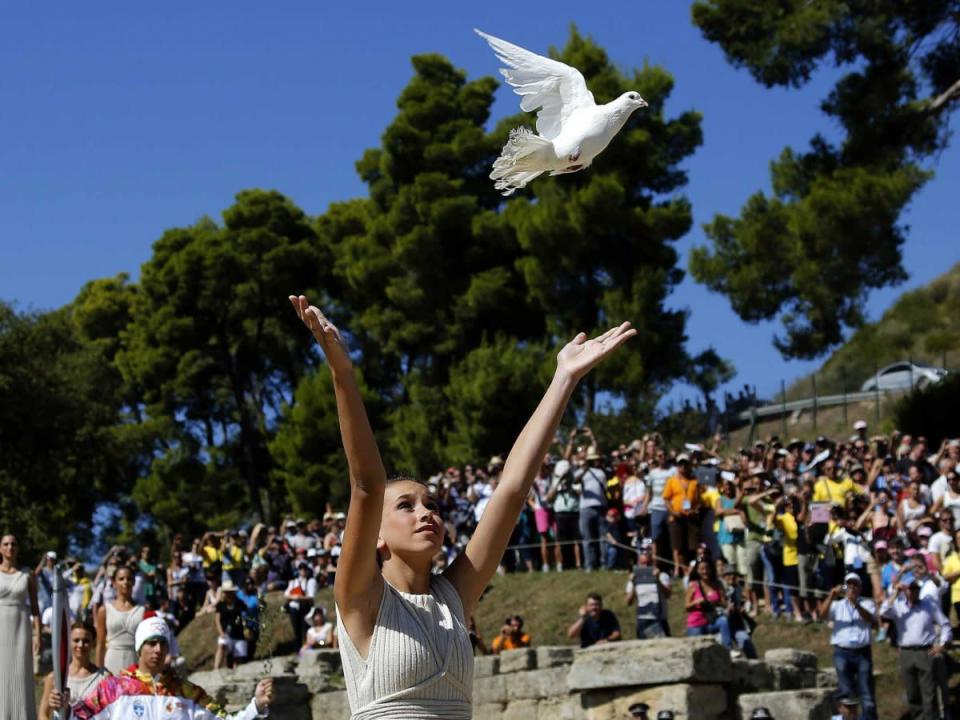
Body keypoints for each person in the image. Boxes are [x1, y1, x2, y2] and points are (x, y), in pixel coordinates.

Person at [289, 294, 634, 719]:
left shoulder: (454, 598)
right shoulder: (359, 599)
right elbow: (366, 483)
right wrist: (342, 372)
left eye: (431, 504)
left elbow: (511, 488)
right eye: (407, 506)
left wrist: (564, 378)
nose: (426, 513)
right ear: (375, 535)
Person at [57, 616, 273, 719]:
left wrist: (257, 706)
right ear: (139, 648)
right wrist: (63, 710)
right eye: (151, 643)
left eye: (163, 643)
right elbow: (79, 718)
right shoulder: (113, 689)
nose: (158, 649)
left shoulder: (188, 693)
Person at [881, 580, 952, 720]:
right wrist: (896, 592)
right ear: (905, 591)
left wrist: (942, 645)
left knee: (929, 692)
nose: (912, 592)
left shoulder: (929, 606)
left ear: (918, 590)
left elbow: (945, 624)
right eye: (909, 589)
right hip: (906, 653)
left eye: (915, 589)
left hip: (925, 651)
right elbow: (883, 612)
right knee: (912, 692)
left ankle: (932, 717)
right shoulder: (899, 606)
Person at [818, 573, 877, 720]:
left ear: (860, 588)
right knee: (846, 693)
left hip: (862, 652)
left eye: (855, 584)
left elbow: (871, 619)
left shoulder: (867, 603)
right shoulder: (837, 605)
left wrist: (855, 604)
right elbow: (822, 615)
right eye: (849, 584)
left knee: (867, 693)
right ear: (845, 587)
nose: (852, 587)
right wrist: (831, 596)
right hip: (842, 652)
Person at [0, 534, 41, 720]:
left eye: (14, 544)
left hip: (21, 628)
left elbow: (35, 609)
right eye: (6, 544)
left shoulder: (27, 574)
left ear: (18, 548)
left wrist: (37, 635)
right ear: (1, 548)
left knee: (20, 673)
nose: (10, 547)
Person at [39, 621, 111, 719]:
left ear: (93, 643)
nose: (80, 645)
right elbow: (43, 714)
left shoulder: (104, 677)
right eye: (76, 640)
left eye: (86, 641)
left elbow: (113, 712)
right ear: (69, 642)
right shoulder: (55, 677)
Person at [95, 565, 146, 674]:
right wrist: (98, 673)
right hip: (111, 661)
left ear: (134, 582)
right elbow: (100, 644)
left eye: (129, 579)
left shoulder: (142, 610)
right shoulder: (104, 610)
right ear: (114, 582)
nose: (125, 582)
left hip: (134, 661)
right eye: (121, 579)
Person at [624, 539, 672, 638]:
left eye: (648, 564)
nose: (645, 566)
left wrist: (657, 580)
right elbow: (628, 602)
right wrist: (633, 583)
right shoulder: (634, 578)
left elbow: (668, 595)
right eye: (643, 564)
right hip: (643, 618)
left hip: (659, 618)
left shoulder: (663, 576)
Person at [577, 447, 609, 571]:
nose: (595, 461)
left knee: (602, 538)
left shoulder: (601, 473)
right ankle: (590, 564)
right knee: (587, 538)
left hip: (600, 506)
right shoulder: (583, 471)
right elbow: (575, 480)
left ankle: (604, 563)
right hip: (585, 507)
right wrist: (585, 469)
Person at [214, 581, 247, 669]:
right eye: (227, 592)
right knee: (222, 645)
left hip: (238, 633)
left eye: (230, 592)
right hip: (226, 633)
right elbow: (217, 620)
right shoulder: (220, 605)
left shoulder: (239, 603)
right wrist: (221, 633)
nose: (229, 594)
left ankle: (235, 673)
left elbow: (245, 615)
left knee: (237, 657)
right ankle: (216, 669)